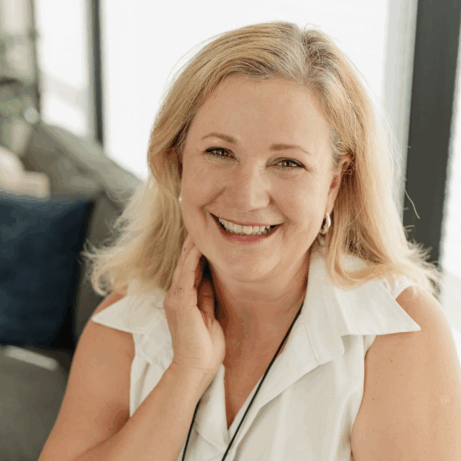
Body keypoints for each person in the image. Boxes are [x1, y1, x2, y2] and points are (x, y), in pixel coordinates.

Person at [39, 21, 461, 461]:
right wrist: (184, 376)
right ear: (178, 163)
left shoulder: (399, 332)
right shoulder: (128, 317)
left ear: (333, 184)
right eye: (220, 152)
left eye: (288, 163)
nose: (246, 197)